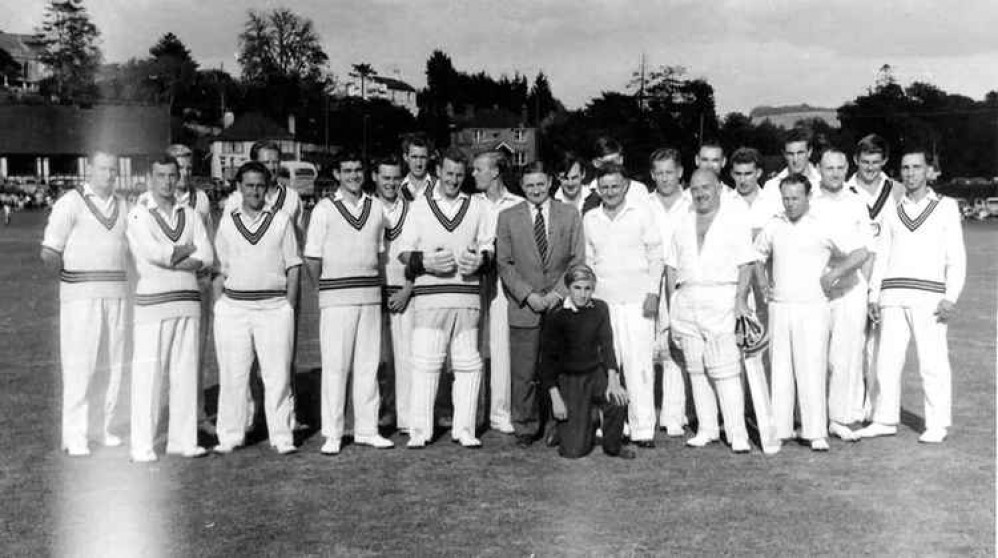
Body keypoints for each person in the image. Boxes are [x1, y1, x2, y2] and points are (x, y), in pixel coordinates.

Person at [858, 148, 965, 444]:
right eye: (905, 168)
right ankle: (884, 418)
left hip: (930, 297)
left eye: (917, 167)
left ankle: (937, 423)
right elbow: (882, 255)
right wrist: (874, 295)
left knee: (933, 362)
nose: (910, 173)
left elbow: (956, 256)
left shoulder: (946, 206)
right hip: (893, 295)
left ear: (928, 171)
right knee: (886, 361)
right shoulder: (892, 208)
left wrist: (951, 296)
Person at [755, 174, 870, 452]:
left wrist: (835, 275)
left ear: (808, 197)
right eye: (786, 198)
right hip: (780, 307)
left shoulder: (823, 225)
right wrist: (761, 282)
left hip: (813, 307)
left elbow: (860, 252)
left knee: (812, 368)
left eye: (795, 198)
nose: (790, 203)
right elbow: (757, 255)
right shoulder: (774, 224)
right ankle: (781, 429)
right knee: (780, 369)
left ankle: (815, 431)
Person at [397, 148, 491, 449]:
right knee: (426, 362)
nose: (453, 180)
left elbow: (489, 247)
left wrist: (480, 261)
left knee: (468, 363)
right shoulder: (420, 207)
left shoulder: (476, 206)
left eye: (459, 175)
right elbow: (403, 251)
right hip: (429, 299)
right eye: (448, 173)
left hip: (466, 298)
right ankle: (419, 430)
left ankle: (465, 429)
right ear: (439, 172)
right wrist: (424, 262)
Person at [41, 150, 130, 456]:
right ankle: (75, 436)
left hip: (116, 295)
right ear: (89, 169)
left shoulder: (123, 205)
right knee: (81, 366)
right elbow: (49, 253)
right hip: (81, 298)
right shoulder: (70, 202)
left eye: (113, 170)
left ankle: (102, 428)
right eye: (103, 168)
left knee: (112, 365)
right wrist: (72, 284)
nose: (108, 175)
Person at [126, 155, 214, 462]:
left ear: (179, 178)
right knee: (149, 375)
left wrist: (181, 254)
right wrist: (185, 252)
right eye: (160, 175)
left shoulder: (190, 214)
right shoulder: (139, 214)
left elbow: (207, 256)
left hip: (188, 303)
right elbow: (153, 253)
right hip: (153, 304)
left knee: (185, 373)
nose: (167, 181)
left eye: (172, 175)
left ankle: (183, 440)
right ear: (150, 177)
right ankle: (142, 444)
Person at [304, 151, 391, 455]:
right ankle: (333, 433)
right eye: (347, 170)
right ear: (337, 175)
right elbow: (312, 258)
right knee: (335, 367)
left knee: (368, 366)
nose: (353, 175)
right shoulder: (324, 210)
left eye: (358, 170)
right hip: (336, 299)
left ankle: (368, 429)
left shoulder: (377, 207)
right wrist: (325, 291)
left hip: (368, 296)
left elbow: (379, 254)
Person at [211, 162, 299, 455]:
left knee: (277, 375)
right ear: (239, 187)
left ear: (267, 186)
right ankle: (231, 435)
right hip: (234, 308)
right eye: (248, 185)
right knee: (234, 375)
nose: (254, 191)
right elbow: (218, 269)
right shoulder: (227, 221)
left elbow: (294, 267)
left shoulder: (281, 220)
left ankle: (282, 435)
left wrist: (289, 305)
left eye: (259, 185)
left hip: (274, 308)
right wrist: (218, 307)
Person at [496, 161, 586, 447]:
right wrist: (528, 295)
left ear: (549, 182)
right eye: (529, 185)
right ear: (522, 186)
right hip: (524, 307)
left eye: (540, 184)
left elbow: (577, 259)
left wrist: (557, 294)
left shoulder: (569, 214)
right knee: (524, 371)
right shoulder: (507, 217)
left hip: (559, 306)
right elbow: (505, 263)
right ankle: (524, 427)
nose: (535, 189)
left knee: (559, 367)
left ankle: (557, 425)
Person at [664, 169, 752, 453]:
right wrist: (672, 305)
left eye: (706, 187)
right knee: (696, 369)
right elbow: (671, 266)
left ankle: (737, 433)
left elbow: (746, 264)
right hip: (687, 299)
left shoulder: (733, 219)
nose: (701, 193)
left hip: (721, 297)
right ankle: (707, 428)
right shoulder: (682, 221)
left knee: (724, 370)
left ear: (718, 188)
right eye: (695, 188)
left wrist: (739, 300)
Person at [583, 162, 662, 448]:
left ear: (626, 185)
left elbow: (656, 255)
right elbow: (588, 261)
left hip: (638, 302)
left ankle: (643, 429)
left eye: (615, 186)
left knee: (639, 365)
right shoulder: (590, 218)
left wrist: (653, 292)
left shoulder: (641, 213)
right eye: (604, 187)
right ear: (598, 189)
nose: (610, 192)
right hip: (604, 303)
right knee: (608, 365)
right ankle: (615, 425)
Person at [811, 148, 876, 441]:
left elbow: (864, 250)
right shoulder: (809, 200)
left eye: (840, 167)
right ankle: (813, 417)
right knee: (815, 354)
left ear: (847, 168)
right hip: (816, 288)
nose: (835, 173)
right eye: (829, 168)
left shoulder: (857, 203)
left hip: (851, 287)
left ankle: (841, 417)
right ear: (819, 169)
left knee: (846, 354)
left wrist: (839, 274)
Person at [541, 265, 636, 459]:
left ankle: (613, 446)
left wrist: (613, 380)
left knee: (618, 400)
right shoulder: (556, 315)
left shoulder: (600, 308)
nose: (583, 294)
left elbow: (607, 345)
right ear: (568, 287)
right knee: (573, 452)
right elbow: (547, 363)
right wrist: (556, 398)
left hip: (594, 373)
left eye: (587, 288)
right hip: (570, 379)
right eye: (577, 288)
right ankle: (564, 427)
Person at [844, 134, 904, 418]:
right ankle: (854, 405)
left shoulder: (897, 190)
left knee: (880, 348)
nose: (870, 168)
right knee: (853, 343)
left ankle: (877, 406)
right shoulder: (844, 190)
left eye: (876, 162)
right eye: (865, 162)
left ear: (885, 161)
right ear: (855, 160)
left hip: (887, 278)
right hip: (853, 277)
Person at [166, 144, 217, 435]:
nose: (183, 173)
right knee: (166, 352)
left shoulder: (201, 199)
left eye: (188, 167)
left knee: (195, 353)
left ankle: (197, 416)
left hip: (198, 284)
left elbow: (208, 244)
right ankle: (172, 417)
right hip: (167, 284)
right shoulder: (152, 201)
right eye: (178, 167)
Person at [473, 150, 523, 435]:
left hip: (505, 285)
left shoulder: (517, 203)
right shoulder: (470, 204)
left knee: (502, 348)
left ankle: (500, 413)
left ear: (494, 172)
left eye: (478, 169)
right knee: (471, 348)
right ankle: (472, 413)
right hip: (474, 283)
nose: (473, 174)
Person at [645, 148, 691, 437]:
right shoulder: (642, 202)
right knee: (646, 348)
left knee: (676, 347)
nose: (664, 178)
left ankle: (673, 415)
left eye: (669, 172)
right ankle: (645, 413)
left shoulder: (691, 203)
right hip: (649, 283)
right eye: (659, 173)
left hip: (682, 282)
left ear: (680, 172)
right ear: (652, 175)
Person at [374, 155, 416, 434]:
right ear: (375, 177)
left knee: (406, 356)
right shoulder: (366, 208)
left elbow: (419, 253)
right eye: (385, 177)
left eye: (395, 178)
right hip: (374, 291)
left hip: (405, 290)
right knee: (377, 358)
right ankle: (382, 411)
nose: (390, 183)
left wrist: (408, 289)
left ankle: (407, 417)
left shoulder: (414, 209)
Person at [584, 136, 650, 212]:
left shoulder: (638, 190)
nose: (612, 168)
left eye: (615, 162)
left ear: (621, 160)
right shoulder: (586, 193)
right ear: (596, 163)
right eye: (607, 163)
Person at [728, 147, 782, 235]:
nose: (742, 180)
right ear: (732, 174)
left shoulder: (774, 202)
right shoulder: (724, 203)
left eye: (748, 174)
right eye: (738, 174)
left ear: (758, 173)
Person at [763, 129, 821, 193]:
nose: (795, 160)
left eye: (800, 153)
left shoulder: (823, 182)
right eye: (790, 154)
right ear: (784, 154)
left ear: (810, 152)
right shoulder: (772, 186)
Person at [401, 135, 436, 199]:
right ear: (405, 157)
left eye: (423, 157)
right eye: (414, 157)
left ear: (429, 158)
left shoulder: (439, 186)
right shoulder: (397, 187)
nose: (418, 163)